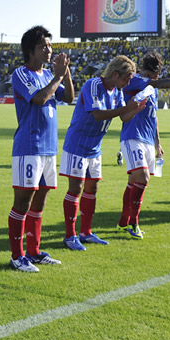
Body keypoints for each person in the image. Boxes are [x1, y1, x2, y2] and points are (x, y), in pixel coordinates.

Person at [60, 55, 146, 251]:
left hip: (94, 148)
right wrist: (127, 107)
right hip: (77, 145)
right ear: (115, 75)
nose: (128, 82)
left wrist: (136, 109)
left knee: (92, 189)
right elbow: (97, 114)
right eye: (127, 78)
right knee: (76, 189)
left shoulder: (116, 91)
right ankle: (70, 236)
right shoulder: (93, 85)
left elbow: (123, 116)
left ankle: (86, 232)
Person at [117, 53, 170, 239]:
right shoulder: (137, 80)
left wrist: (157, 143)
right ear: (156, 73)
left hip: (148, 140)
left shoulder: (151, 87)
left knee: (134, 182)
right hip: (132, 137)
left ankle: (124, 221)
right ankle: (134, 223)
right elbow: (156, 84)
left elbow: (153, 116)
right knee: (142, 179)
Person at [7, 26, 73, 272]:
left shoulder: (49, 75)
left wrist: (64, 74)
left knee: (40, 201)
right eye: (44, 46)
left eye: (50, 45)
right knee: (22, 202)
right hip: (29, 147)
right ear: (30, 51)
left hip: (48, 148)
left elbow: (68, 98)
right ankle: (17, 256)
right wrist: (57, 77)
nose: (49, 50)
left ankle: (34, 252)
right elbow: (39, 99)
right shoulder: (22, 74)